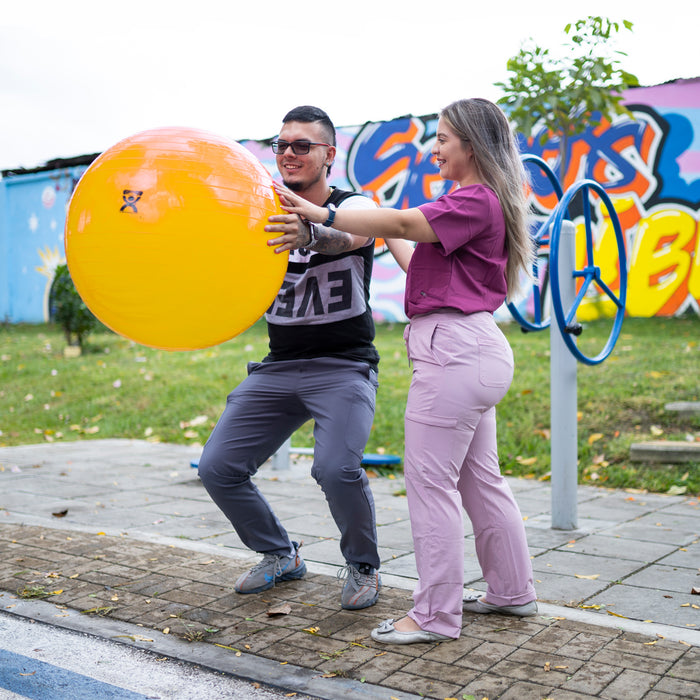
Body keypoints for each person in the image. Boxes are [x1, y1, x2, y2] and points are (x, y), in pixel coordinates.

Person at [266, 98, 538, 644]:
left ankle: (434, 616)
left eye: (442, 138)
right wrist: (384, 229)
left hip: (454, 354)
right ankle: (512, 593)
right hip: (471, 348)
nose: (433, 148)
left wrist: (321, 213)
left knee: (428, 485)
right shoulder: (474, 203)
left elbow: (405, 221)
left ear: (472, 145)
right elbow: (416, 255)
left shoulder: (475, 200)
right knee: (480, 481)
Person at [197, 105, 382, 611]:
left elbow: (360, 233)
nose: (289, 154)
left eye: (302, 145)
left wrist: (312, 235)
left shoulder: (351, 204)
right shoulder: (256, 210)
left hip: (344, 366)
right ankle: (280, 554)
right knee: (218, 466)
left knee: (335, 468)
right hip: (279, 367)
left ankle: (363, 565)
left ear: (329, 153)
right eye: (281, 145)